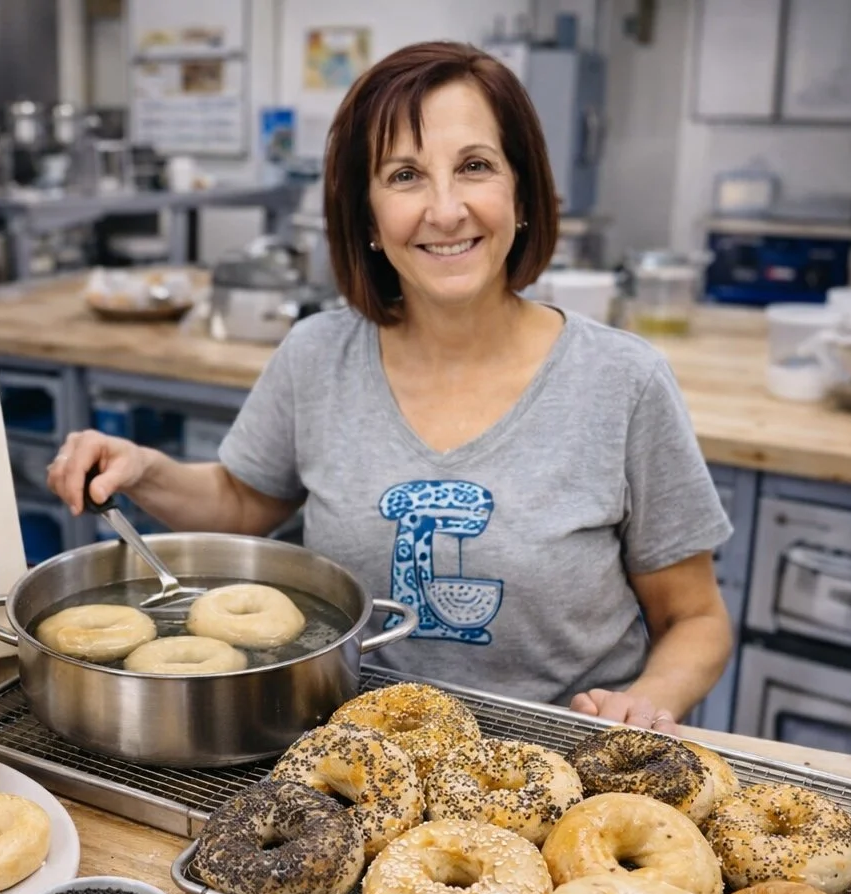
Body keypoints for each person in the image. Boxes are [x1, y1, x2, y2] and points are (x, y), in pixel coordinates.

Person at [47, 41, 733, 735]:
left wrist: (648, 700)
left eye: (474, 167)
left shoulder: (622, 381)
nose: (445, 209)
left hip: (557, 773)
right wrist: (144, 469)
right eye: (405, 175)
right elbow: (245, 500)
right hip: (356, 758)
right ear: (368, 217)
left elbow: (695, 618)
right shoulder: (318, 355)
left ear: (520, 191)